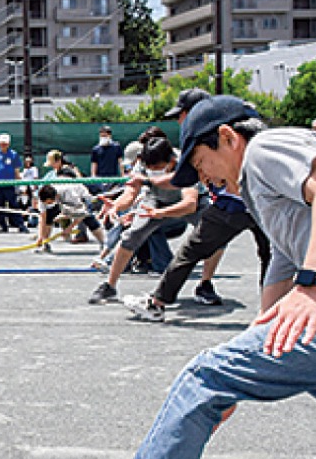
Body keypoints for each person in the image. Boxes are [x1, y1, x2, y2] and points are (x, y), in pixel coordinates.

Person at [56, 95, 316, 459]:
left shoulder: (266, 150)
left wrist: (312, 286)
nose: (204, 179)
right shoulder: (268, 195)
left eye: (202, 162)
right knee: (232, 377)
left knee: (201, 376)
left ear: (227, 138)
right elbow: (280, 273)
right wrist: (247, 368)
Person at [124, 90, 272, 323]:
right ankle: (271, 311)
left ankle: (160, 302)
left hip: (232, 207)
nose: (180, 121)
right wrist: (148, 181)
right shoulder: (216, 139)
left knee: (193, 250)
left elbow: (187, 197)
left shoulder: (213, 138)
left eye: (181, 114)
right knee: (273, 255)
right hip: (245, 204)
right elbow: (178, 180)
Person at [88, 136, 202, 305]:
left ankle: (205, 284)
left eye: (157, 168)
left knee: (212, 231)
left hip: (185, 203)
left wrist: (161, 213)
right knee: (131, 235)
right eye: (149, 167)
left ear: (171, 162)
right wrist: (117, 205)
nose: (152, 170)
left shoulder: (185, 164)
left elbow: (190, 204)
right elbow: (130, 193)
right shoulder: (141, 165)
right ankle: (109, 286)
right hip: (155, 201)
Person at [33, 182, 106, 253]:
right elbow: (43, 218)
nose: (48, 204)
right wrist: (41, 237)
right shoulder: (42, 198)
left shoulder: (70, 194)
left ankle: (104, 245)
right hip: (64, 201)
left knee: (89, 219)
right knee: (49, 216)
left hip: (81, 198)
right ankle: (45, 244)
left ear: (56, 197)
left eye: (49, 203)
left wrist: (69, 228)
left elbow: (82, 214)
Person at [0, 133, 27, 233]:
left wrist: (20, 184)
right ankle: (2, 226)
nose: (3, 145)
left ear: (8, 144)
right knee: (0, 206)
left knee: (14, 205)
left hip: (9, 185)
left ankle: (20, 225)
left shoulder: (13, 154)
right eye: (2, 143)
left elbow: (16, 170)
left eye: (5, 143)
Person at [89, 125, 125, 191]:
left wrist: (123, 175)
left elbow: (120, 161)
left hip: (113, 178)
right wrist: (93, 175)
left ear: (110, 136)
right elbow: (94, 163)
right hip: (100, 179)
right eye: (101, 136)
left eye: (105, 136)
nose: (103, 138)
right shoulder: (95, 149)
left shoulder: (116, 147)